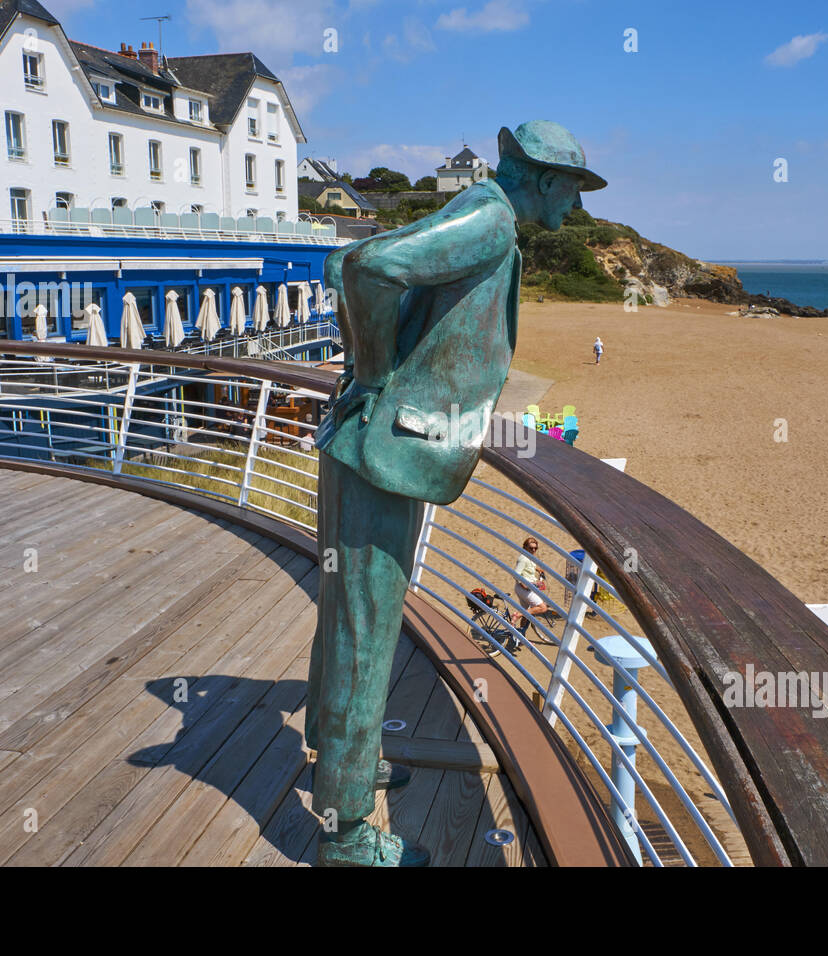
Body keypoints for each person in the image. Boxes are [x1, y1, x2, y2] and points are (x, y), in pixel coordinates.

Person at [307, 120, 603, 868]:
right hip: (382, 457)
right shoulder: (492, 222)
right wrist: (374, 374)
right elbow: (368, 270)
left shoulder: (477, 209)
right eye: (572, 188)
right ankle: (345, 831)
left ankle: (349, 755)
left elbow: (343, 259)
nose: (576, 206)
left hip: (373, 450)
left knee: (351, 617)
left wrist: (374, 374)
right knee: (365, 632)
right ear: (539, 178)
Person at [510, 536, 550, 653]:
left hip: (527, 588)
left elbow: (530, 566)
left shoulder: (529, 557)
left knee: (528, 612)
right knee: (542, 608)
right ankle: (517, 615)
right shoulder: (523, 558)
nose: (533, 550)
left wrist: (539, 570)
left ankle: (521, 637)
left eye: (535, 548)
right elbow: (516, 573)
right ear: (525, 547)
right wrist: (524, 584)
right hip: (525, 589)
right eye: (531, 548)